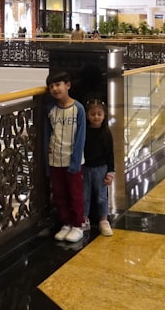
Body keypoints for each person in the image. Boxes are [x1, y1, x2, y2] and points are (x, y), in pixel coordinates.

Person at [44, 70, 86, 244]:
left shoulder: (78, 109)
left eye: (58, 85)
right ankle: (66, 223)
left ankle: (78, 225)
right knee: (59, 193)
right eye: (51, 86)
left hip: (72, 160)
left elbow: (81, 137)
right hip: (55, 159)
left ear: (67, 85)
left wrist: (76, 162)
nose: (55, 89)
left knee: (75, 194)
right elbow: (47, 134)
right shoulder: (51, 109)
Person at [82, 99, 115, 237]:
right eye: (92, 114)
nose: (96, 117)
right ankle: (84, 218)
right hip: (85, 168)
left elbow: (110, 154)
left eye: (99, 114)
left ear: (104, 115)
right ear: (87, 115)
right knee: (84, 196)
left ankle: (103, 219)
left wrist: (111, 172)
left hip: (101, 169)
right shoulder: (84, 131)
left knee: (102, 196)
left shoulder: (106, 133)